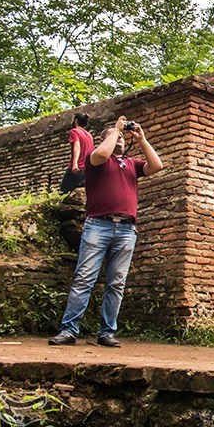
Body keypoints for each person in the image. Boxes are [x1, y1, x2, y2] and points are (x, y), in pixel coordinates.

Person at [49, 116, 164, 348]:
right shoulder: (95, 160)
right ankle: (69, 331)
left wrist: (141, 139)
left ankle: (107, 332)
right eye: (115, 136)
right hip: (97, 226)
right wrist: (116, 130)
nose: (120, 138)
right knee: (84, 279)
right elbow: (102, 154)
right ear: (104, 140)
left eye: (122, 136)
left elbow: (156, 166)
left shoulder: (131, 164)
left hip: (126, 229)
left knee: (117, 283)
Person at [58, 112, 94, 194]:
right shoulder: (89, 135)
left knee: (63, 193)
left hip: (77, 168)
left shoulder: (74, 131)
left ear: (76, 121)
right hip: (87, 168)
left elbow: (77, 146)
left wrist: (75, 164)